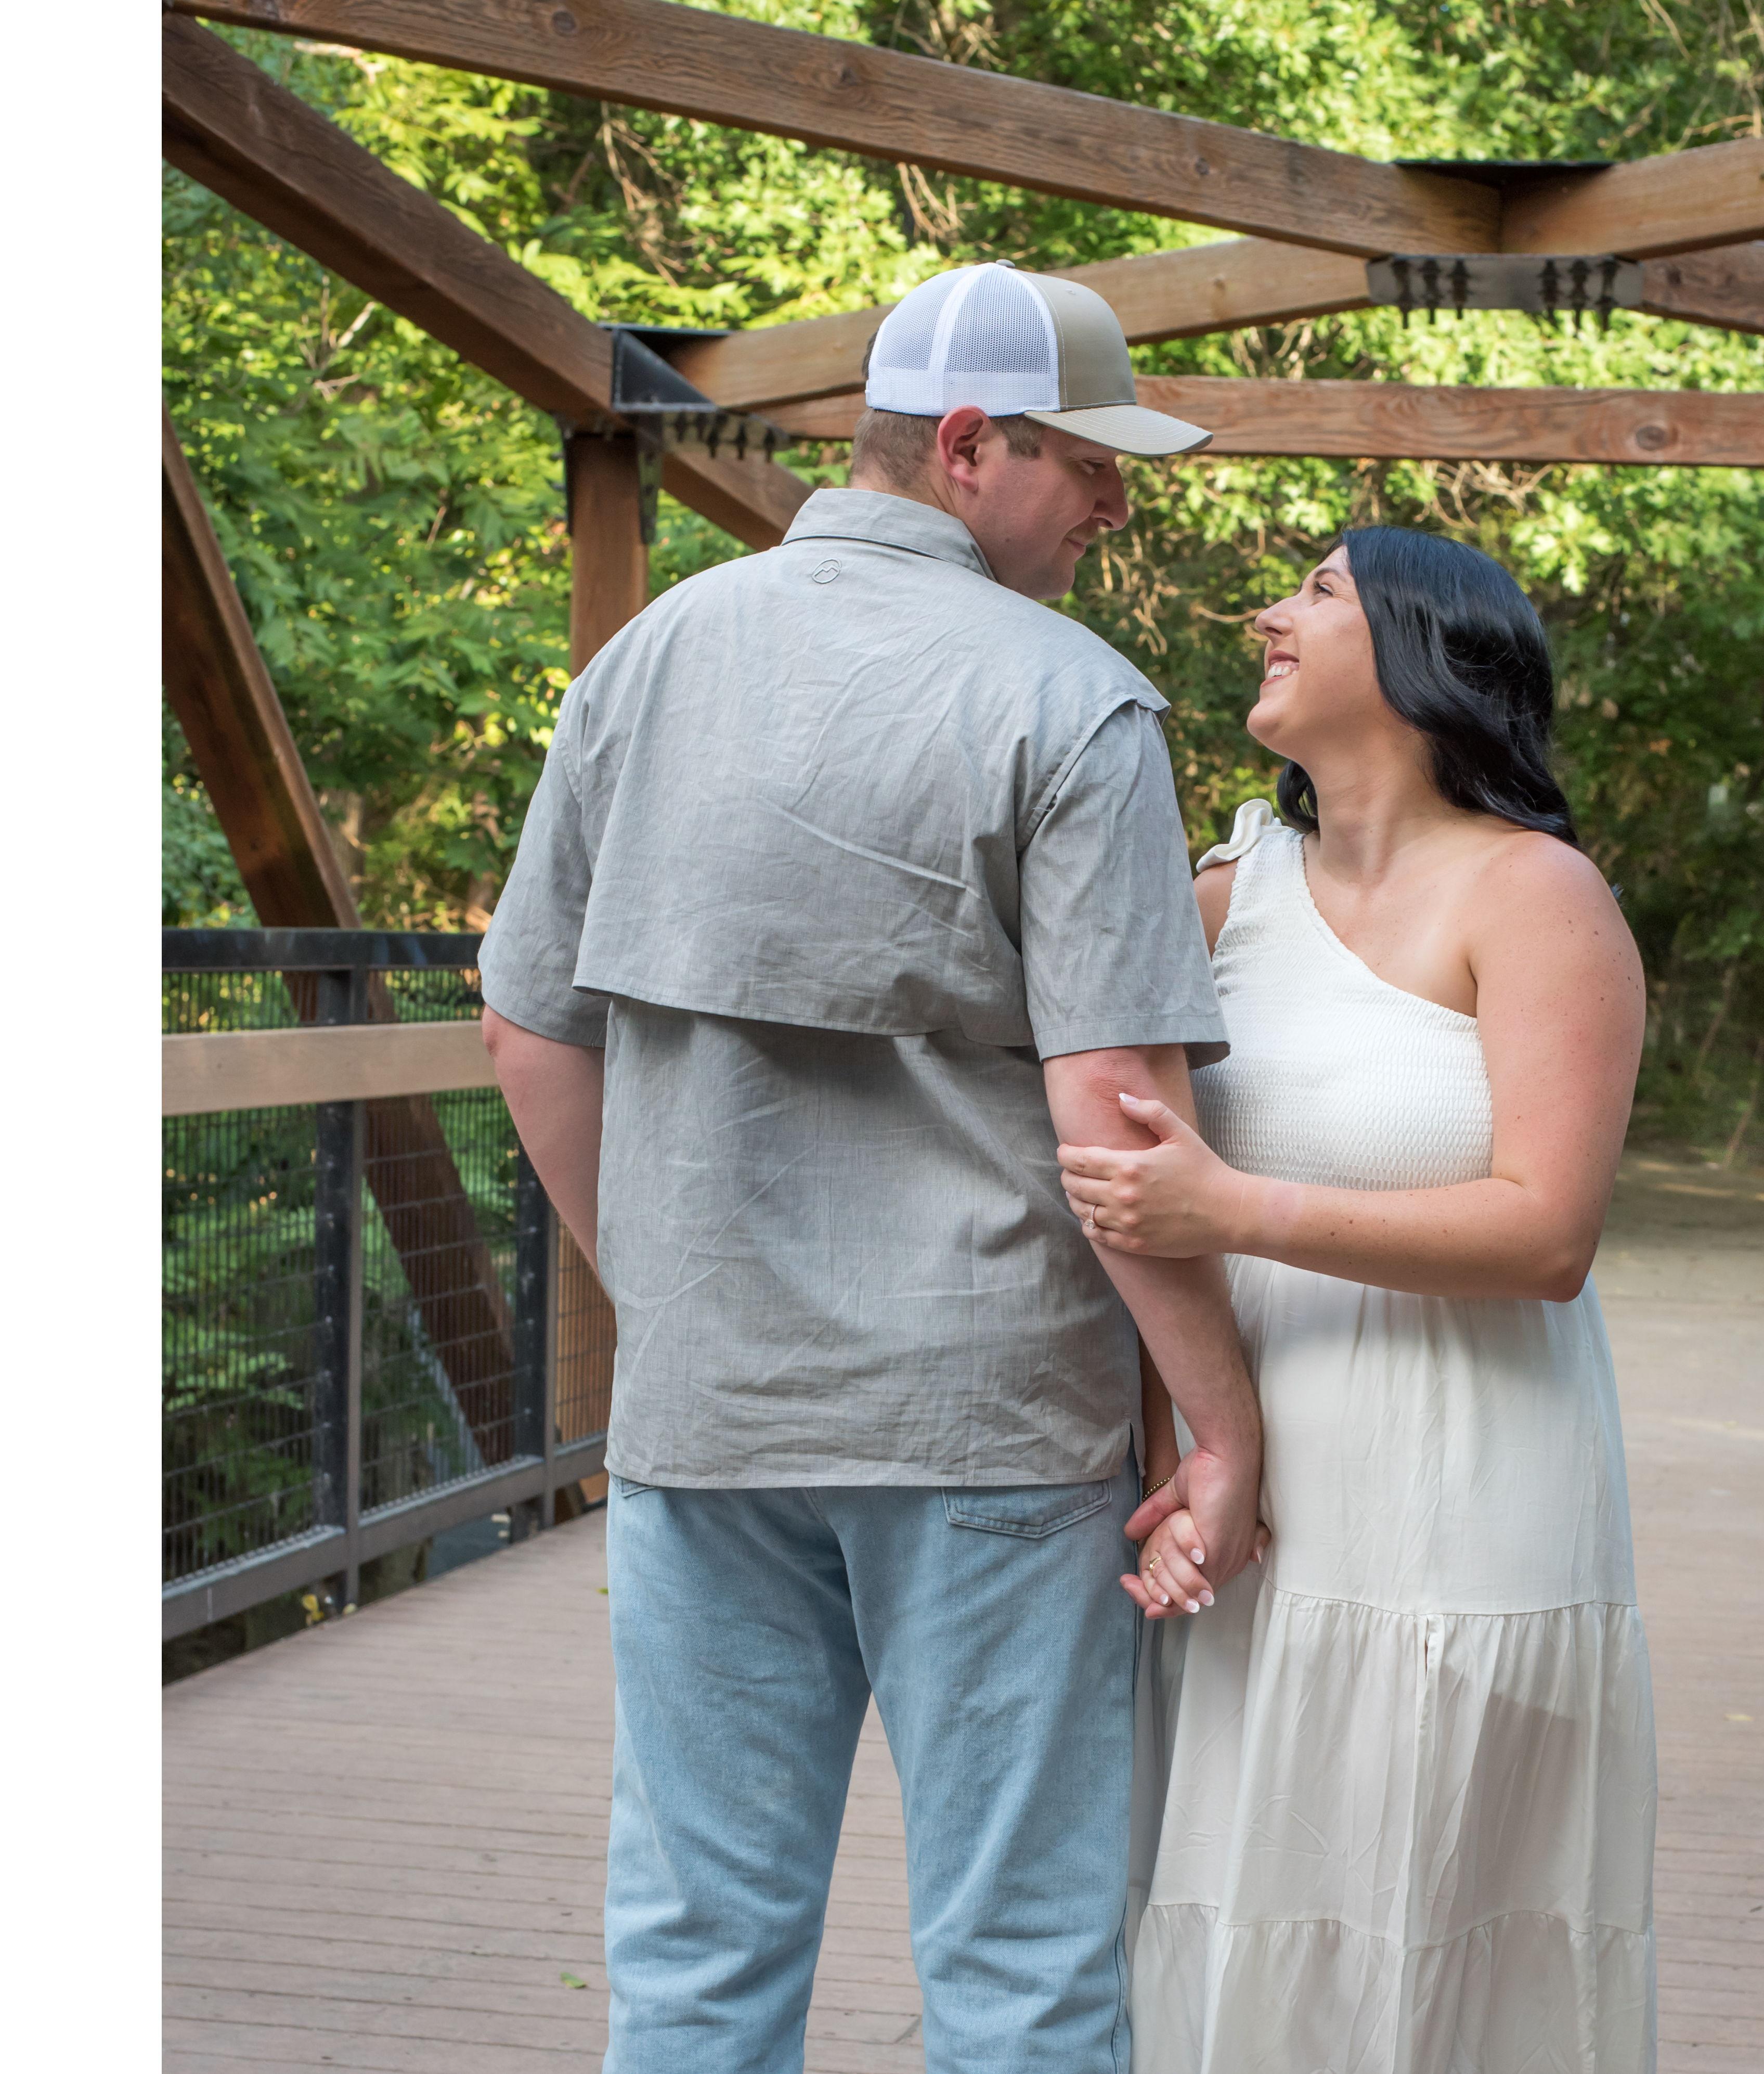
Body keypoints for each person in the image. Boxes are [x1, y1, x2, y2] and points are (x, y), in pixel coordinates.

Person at [477, 260, 1263, 2073]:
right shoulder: (1073, 703)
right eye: (1091, 463)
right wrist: (1220, 1427)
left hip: (710, 1414)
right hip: (986, 1423)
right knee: (1021, 1960)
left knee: (695, 1947)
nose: (1116, 504)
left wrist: (663, 1294)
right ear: (971, 446)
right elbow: (1117, 1110)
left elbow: (525, 1032)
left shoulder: (647, 660)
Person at [1059, 527, 1659, 2071]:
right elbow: (1136, 1212)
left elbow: (1547, 1231)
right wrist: (1178, 1459)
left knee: (1435, 1920)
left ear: (1424, 650)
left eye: (1320, 589)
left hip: (1464, 1488)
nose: (1270, 611)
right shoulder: (1221, 894)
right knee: (1233, 1902)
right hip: (1250, 1492)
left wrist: (1239, 1206)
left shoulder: (1537, 895)